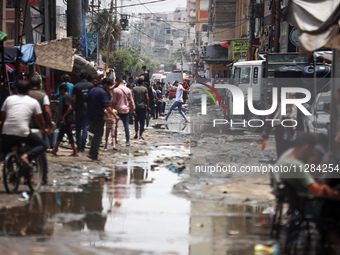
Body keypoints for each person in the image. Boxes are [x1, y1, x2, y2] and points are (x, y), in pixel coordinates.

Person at [0, 80, 46, 182]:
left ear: (17, 90)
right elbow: (40, 119)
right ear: (28, 91)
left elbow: (2, 118)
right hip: (23, 132)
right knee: (42, 145)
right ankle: (26, 156)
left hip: (7, 131)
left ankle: (11, 171)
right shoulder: (33, 102)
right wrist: (43, 129)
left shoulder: (9, 99)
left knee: (6, 149)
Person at [87, 78, 119, 160]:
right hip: (98, 116)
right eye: (108, 86)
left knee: (95, 134)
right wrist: (114, 115)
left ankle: (92, 152)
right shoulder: (103, 93)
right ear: (105, 84)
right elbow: (107, 106)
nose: (109, 88)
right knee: (98, 135)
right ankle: (93, 154)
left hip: (90, 115)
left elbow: (86, 102)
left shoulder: (92, 90)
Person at [29, 77, 53, 184]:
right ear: (39, 85)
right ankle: (44, 175)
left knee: (25, 150)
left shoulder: (24, 95)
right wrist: (49, 126)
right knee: (42, 151)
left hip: (25, 127)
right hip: (37, 127)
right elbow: (47, 111)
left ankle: (27, 175)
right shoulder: (43, 96)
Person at [49, 84, 78, 157]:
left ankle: (75, 151)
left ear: (62, 90)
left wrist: (64, 117)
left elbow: (70, 108)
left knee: (69, 134)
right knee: (61, 133)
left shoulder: (65, 97)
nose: (59, 92)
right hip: (69, 118)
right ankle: (55, 149)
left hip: (67, 118)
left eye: (60, 90)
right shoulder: (69, 96)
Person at [73, 70, 94, 152]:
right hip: (87, 110)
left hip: (78, 109)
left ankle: (78, 145)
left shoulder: (76, 86)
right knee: (85, 127)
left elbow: (74, 99)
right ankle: (82, 146)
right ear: (87, 76)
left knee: (78, 128)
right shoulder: (91, 86)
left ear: (79, 76)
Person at [112, 76, 135, 146]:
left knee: (115, 125)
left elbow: (113, 101)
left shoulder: (115, 90)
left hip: (117, 110)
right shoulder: (128, 90)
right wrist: (133, 110)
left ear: (117, 82)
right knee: (126, 126)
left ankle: (114, 140)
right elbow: (131, 101)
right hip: (126, 110)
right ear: (122, 82)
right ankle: (127, 141)